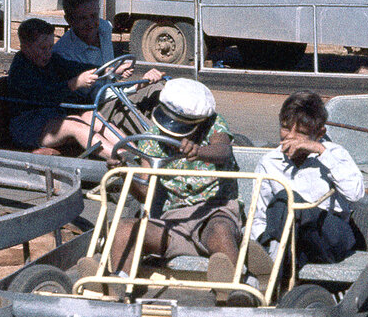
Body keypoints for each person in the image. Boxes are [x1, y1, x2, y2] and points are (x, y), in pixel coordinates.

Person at [108, 79, 265, 303]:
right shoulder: (152, 140)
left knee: (220, 231)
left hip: (214, 211)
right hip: (173, 222)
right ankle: (117, 283)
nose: (171, 135)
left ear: (199, 123)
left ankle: (235, 287)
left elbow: (222, 151)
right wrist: (125, 174)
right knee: (125, 228)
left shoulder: (214, 124)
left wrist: (199, 151)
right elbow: (144, 194)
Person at [252, 90, 365, 268]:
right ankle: (265, 272)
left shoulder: (334, 153)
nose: (290, 136)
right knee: (283, 206)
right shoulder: (269, 162)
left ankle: (269, 267)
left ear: (319, 133)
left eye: (301, 132)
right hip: (293, 241)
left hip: (330, 236)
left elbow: (355, 194)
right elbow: (259, 216)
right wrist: (261, 241)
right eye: (285, 128)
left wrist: (320, 150)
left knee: (288, 199)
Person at [5, 17, 123, 160]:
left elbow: (75, 67)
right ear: (25, 47)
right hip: (28, 126)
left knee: (90, 115)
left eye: (50, 47)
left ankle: (133, 152)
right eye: (42, 48)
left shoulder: (52, 60)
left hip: (51, 118)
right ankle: (121, 159)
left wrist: (109, 70)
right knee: (74, 124)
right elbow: (44, 95)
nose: (48, 53)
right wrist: (74, 83)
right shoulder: (20, 68)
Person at [54, 0, 164, 128]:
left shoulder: (104, 28)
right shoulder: (64, 53)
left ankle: (178, 133)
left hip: (113, 92)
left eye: (94, 16)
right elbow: (95, 95)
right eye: (83, 18)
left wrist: (117, 71)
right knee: (124, 109)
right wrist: (137, 85)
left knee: (158, 89)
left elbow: (106, 73)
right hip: (94, 106)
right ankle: (156, 139)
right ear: (69, 20)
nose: (90, 23)